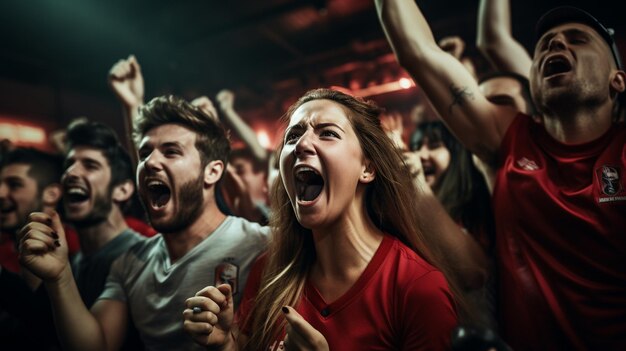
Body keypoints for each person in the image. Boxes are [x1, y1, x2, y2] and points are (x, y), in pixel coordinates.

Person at [376, 1, 626, 349]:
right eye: (546, 43)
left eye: (578, 39)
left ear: (618, 80)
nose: (555, 44)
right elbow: (417, 49)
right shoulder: (509, 138)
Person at [184, 88, 463, 350]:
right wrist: (227, 345)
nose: (302, 144)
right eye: (292, 137)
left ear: (367, 168)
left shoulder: (418, 288)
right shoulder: (271, 269)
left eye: (327, 133)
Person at [17, 95, 269, 351]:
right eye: (145, 153)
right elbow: (98, 346)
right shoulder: (129, 263)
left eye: (171, 152)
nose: (150, 162)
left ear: (212, 171)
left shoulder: (263, 244)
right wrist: (60, 277)